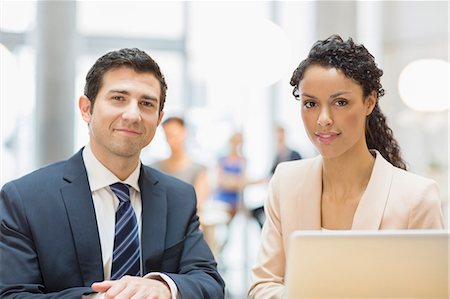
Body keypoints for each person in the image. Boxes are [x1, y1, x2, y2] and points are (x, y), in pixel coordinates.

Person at [0, 48, 225, 299]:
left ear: (159, 118)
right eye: (118, 98)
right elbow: (12, 294)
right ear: (86, 108)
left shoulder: (178, 197)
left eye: (146, 103)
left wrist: (163, 286)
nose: (132, 114)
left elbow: (209, 282)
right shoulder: (25, 198)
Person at [248, 35, 444, 298]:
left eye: (340, 102)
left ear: (369, 102)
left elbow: (432, 292)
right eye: (310, 104)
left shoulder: (416, 198)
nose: (323, 119)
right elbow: (262, 285)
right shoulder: (286, 182)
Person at [251, 126, 302, 228]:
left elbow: (301, 175)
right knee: (255, 212)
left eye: (280, 135)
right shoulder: (277, 156)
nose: (278, 138)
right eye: (276, 136)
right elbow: (270, 175)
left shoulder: (294, 155)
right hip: (279, 197)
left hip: (291, 198)